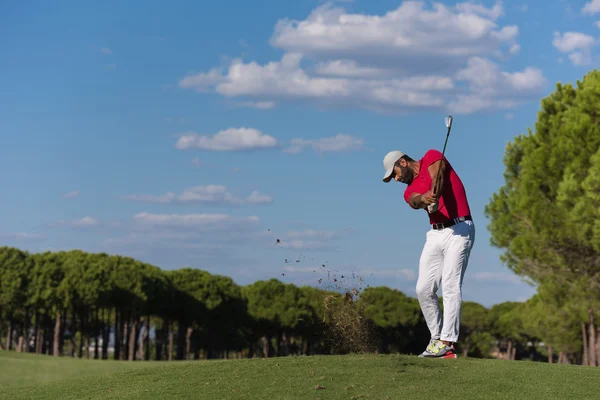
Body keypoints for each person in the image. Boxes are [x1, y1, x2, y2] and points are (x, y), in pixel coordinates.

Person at [381, 148, 475, 359]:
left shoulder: (432, 155)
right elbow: (414, 200)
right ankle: (436, 339)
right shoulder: (408, 190)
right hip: (435, 234)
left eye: (394, 173)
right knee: (423, 289)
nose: (395, 179)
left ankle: (447, 342)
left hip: (459, 229)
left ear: (402, 162)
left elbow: (438, 175)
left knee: (450, 285)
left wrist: (436, 192)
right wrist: (424, 199)